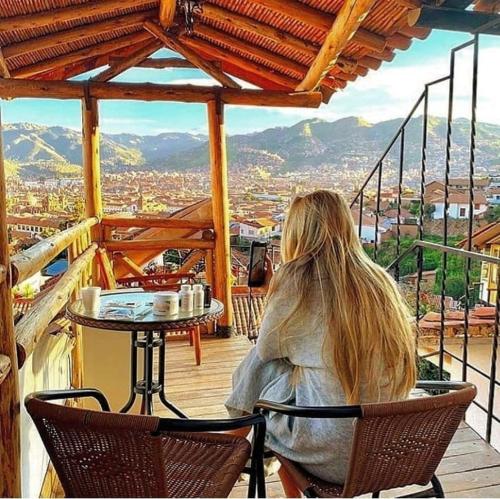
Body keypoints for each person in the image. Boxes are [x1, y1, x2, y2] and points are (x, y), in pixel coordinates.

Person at [225, 190, 416, 493]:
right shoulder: (380, 281)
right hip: (382, 452)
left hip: (329, 454)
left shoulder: (295, 280)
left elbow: (266, 349)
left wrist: (275, 293)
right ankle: (234, 447)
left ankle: (230, 449)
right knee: (279, 373)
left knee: (266, 367)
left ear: (297, 231)